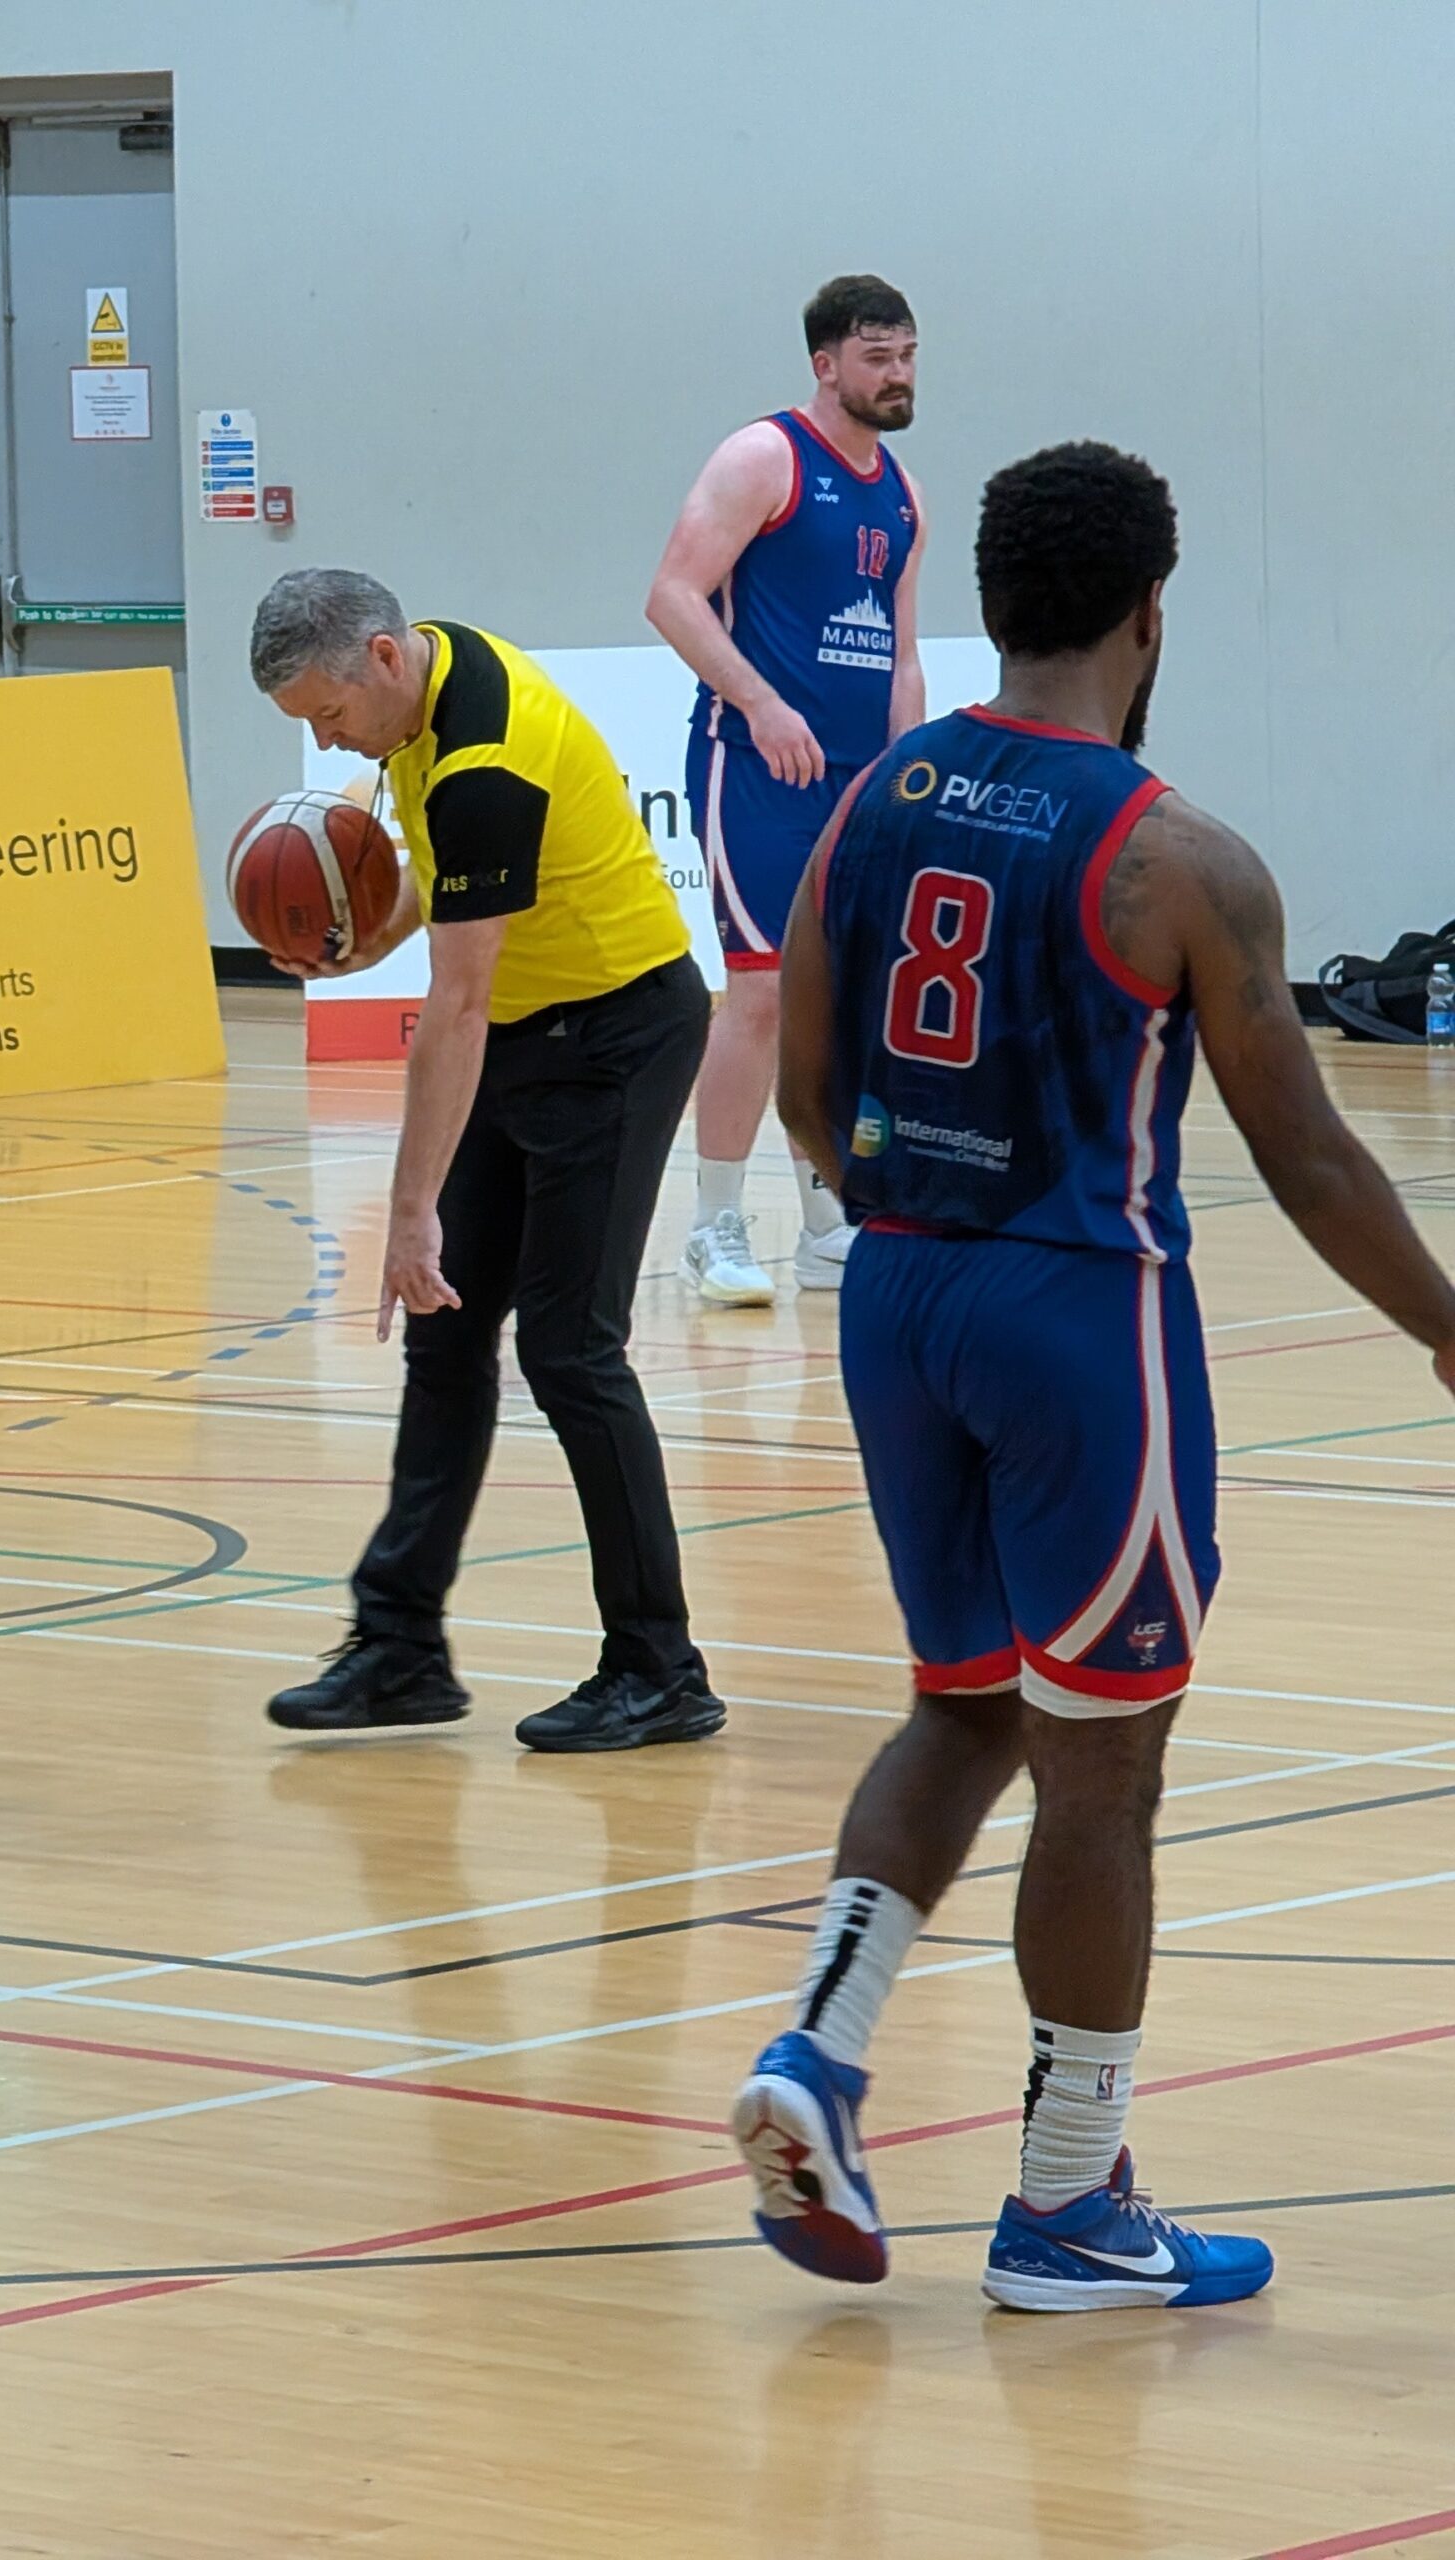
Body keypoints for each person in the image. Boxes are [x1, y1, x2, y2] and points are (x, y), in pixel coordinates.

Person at [729, 443, 1455, 2309]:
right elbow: (1309, 1156)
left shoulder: (878, 794)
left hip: (893, 1298)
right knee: (1102, 1776)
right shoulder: (1182, 861)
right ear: (1153, 607)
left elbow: (809, 1095)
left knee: (962, 1707)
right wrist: (1450, 1331)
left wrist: (911, 1217)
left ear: (989, 593)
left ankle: (818, 2044)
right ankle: (1066, 2204)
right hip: (1079, 1320)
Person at [249, 569, 725, 1752]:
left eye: (328, 714)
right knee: (450, 1331)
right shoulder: (429, 677)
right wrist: (368, 928)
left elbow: (449, 1014)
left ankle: (660, 1666)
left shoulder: (483, 762)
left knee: (570, 1347)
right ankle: (401, 1647)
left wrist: (408, 1212)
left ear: (379, 657)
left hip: (618, 1032)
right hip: (531, 1016)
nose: (326, 739)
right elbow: (450, 899)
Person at [648, 275, 926, 1304]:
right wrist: (762, 704)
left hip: (856, 783)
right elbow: (671, 595)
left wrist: (907, 771)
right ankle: (715, 1224)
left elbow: (900, 654)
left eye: (905, 357)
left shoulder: (900, 492)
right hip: (753, 768)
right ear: (825, 363)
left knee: (839, 1003)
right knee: (760, 989)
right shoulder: (763, 456)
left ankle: (824, 1224)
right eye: (876, 358)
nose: (897, 376)